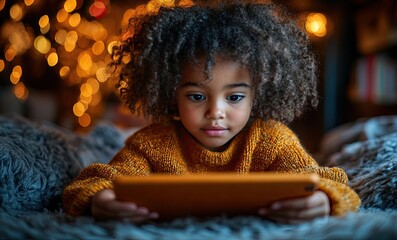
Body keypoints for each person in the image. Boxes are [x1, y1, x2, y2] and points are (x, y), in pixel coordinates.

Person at [63, 0, 361, 224]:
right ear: (170, 92)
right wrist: (99, 199)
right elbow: (91, 182)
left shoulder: (272, 139)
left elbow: (329, 182)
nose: (215, 112)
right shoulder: (152, 144)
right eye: (196, 96)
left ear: (257, 95)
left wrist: (324, 199)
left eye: (234, 97)